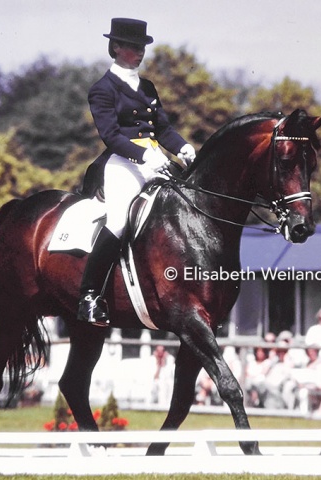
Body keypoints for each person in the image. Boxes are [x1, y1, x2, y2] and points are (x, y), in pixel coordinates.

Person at [77, 18, 196, 326]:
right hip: (123, 162)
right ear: (116, 47)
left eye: (142, 47)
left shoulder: (147, 87)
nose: (140, 52)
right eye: (133, 47)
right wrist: (144, 155)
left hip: (155, 159)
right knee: (118, 222)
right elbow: (111, 136)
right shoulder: (102, 89)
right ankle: (89, 295)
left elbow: (164, 129)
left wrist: (183, 148)